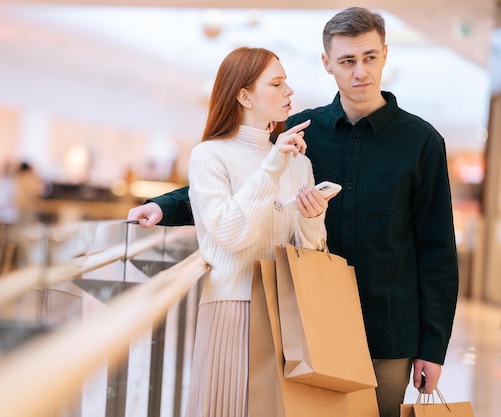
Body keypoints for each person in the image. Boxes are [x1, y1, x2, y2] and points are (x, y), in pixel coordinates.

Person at [126, 7, 459, 417]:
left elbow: (437, 251)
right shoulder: (298, 133)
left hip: (388, 330)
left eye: (370, 57)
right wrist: (162, 205)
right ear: (327, 64)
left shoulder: (422, 142)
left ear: (385, 54)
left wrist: (433, 347)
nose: (361, 72)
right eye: (347, 61)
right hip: (305, 322)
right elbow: (240, 181)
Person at [178, 46, 329, 417]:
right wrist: (273, 163)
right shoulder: (209, 156)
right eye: (277, 84)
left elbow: (310, 255)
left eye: (286, 83)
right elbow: (230, 233)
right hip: (232, 309)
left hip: (286, 315)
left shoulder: (299, 163)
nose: (289, 92)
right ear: (245, 96)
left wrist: (312, 217)